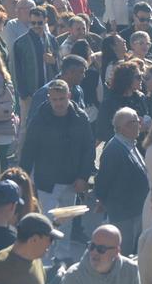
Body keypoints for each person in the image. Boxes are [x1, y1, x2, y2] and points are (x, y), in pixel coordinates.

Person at [19, 80, 96, 216]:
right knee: (46, 223)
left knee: (66, 225)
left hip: (72, 182)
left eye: (62, 98)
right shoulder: (39, 119)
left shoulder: (80, 118)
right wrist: (22, 178)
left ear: (69, 96)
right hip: (46, 182)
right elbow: (29, 150)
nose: (58, 103)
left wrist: (83, 177)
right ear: (49, 98)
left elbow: (88, 149)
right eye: (54, 99)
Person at [93, 108, 150, 254]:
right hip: (124, 214)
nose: (139, 124)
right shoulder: (114, 150)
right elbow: (103, 180)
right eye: (134, 122)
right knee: (124, 253)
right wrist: (102, 201)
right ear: (122, 127)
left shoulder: (130, 144)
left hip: (135, 211)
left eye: (138, 121)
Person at [12, 7, 60, 114]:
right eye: (33, 23)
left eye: (39, 23)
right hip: (30, 94)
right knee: (28, 125)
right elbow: (17, 70)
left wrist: (54, 62)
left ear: (46, 20)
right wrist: (24, 94)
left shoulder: (52, 40)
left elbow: (59, 67)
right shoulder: (20, 43)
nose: (36, 26)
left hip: (50, 92)